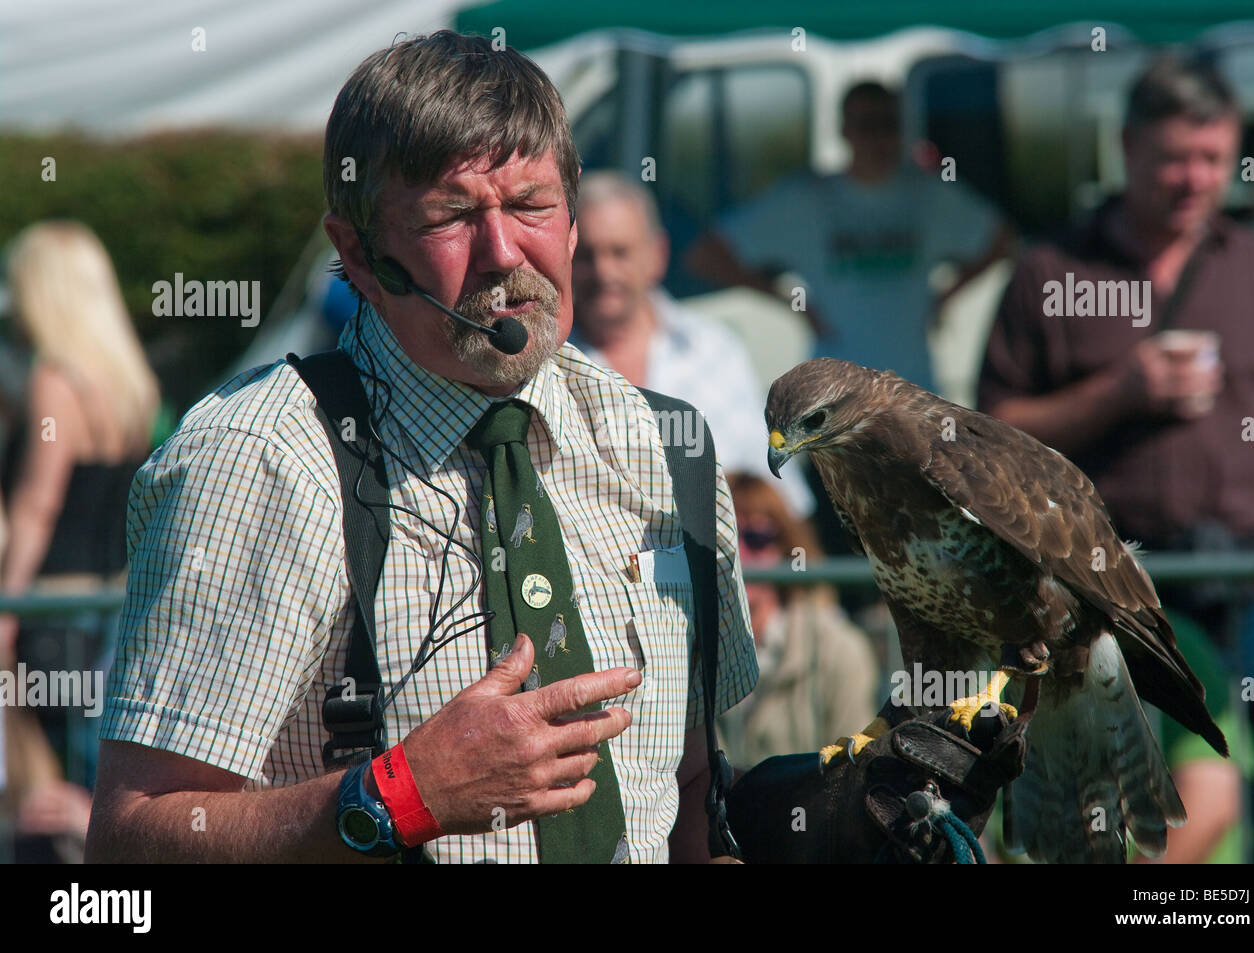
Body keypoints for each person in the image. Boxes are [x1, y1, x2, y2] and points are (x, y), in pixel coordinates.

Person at [85, 30, 761, 865]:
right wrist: (401, 796)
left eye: (531, 205)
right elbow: (131, 842)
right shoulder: (260, 458)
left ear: (575, 225)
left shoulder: (669, 448)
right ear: (360, 256)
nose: (505, 252)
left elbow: (688, 790)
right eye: (451, 215)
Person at [977, 56, 1254, 861]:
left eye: (1215, 160)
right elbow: (989, 435)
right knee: (1124, 808)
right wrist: (1119, 390)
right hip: (1111, 592)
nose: (1195, 179)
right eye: (1174, 158)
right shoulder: (1053, 271)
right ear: (1125, 147)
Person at [0, 221, 161, 862]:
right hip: (106, 607)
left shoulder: (56, 383)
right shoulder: (127, 383)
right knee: (87, 775)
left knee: (41, 791)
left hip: (46, 608)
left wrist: (6, 609)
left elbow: (39, 507)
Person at [688, 81, 1012, 393]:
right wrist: (792, 303)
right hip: (833, 397)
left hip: (912, 393)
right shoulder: (807, 199)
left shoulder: (928, 195)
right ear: (845, 131)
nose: (879, 137)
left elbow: (1003, 240)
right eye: (867, 125)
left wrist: (947, 294)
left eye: (889, 124)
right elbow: (706, 256)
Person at [569, 170, 813, 517]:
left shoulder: (714, 351)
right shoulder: (549, 362)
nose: (604, 272)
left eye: (619, 253)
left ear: (658, 254)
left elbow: (780, 496)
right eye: (588, 255)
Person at [717, 472, 878, 768]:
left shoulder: (838, 648)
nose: (738, 554)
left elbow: (852, 770)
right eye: (724, 538)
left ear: (786, 547)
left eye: (755, 537)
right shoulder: (689, 647)